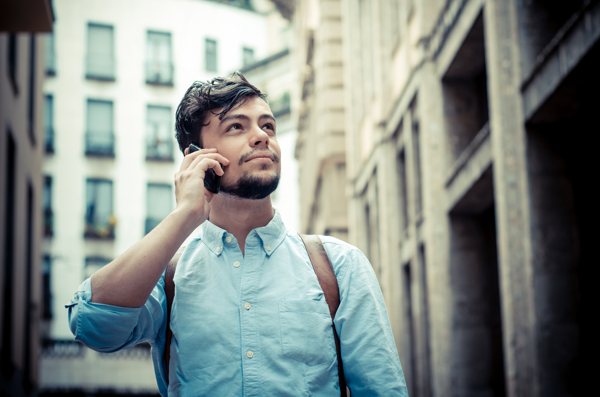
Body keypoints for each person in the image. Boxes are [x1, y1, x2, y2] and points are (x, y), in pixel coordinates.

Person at [67, 72, 408, 396]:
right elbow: (91, 325)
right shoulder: (169, 278)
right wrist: (185, 214)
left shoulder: (341, 266)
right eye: (236, 126)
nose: (262, 136)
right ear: (196, 158)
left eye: (268, 125)